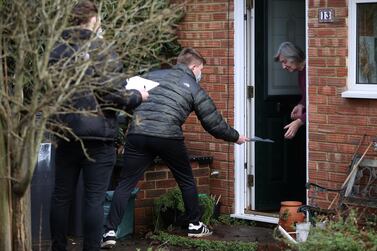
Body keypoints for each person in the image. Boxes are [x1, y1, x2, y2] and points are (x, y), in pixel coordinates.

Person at [101, 47, 249, 248]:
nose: (201, 75)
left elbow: (125, 104)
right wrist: (236, 137)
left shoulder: (150, 76)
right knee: (186, 180)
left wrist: (122, 134)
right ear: (194, 66)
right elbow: (213, 123)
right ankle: (195, 225)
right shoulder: (193, 88)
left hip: (139, 133)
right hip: (168, 136)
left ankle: (109, 231)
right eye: (201, 71)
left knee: (125, 183)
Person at [49, 1, 149, 251]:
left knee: (61, 196)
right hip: (97, 136)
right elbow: (111, 95)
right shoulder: (101, 50)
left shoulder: (56, 51)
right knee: (93, 199)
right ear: (93, 20)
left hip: (66, 133)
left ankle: (58, 247)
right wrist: (138, 95)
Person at [274, 41, 306, 139]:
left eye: (284, 61)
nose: (283, 66)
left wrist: (299, 122)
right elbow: (308, 96)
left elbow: (318, 104)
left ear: (294, 57)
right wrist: (301, 105)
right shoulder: (301, 72)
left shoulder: (311, 70)